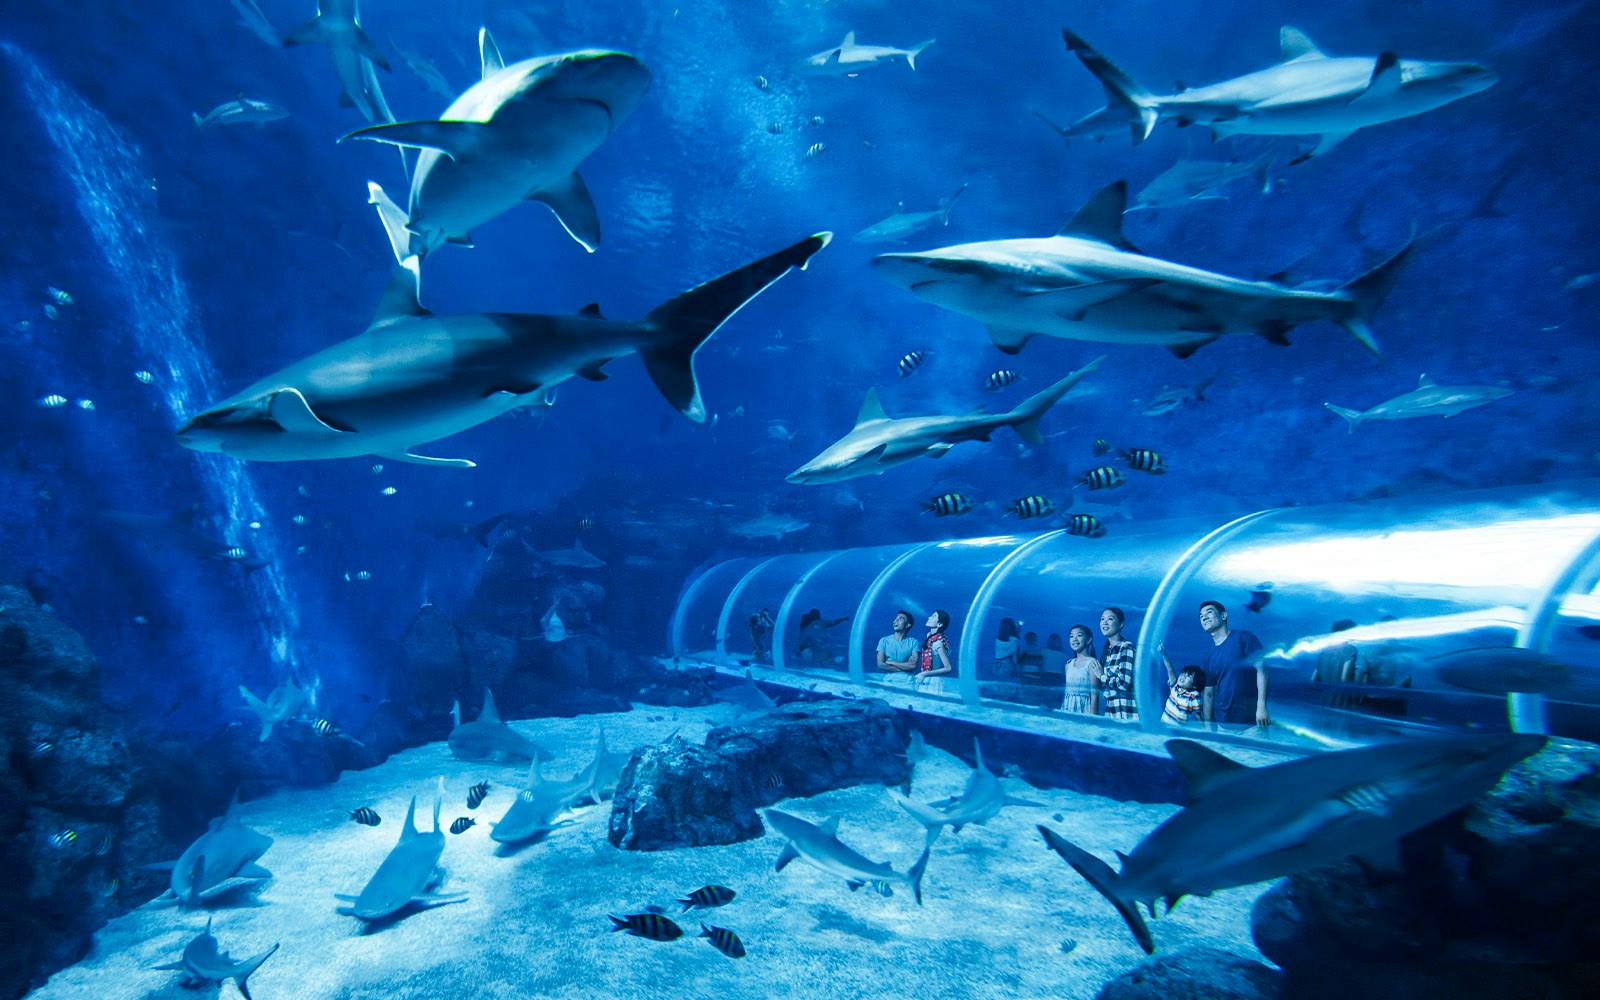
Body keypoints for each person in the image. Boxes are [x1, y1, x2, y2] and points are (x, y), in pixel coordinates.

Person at [1197, 600, 1267, 727]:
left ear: (1223, 616)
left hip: (1252, 722)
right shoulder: (1209, 655)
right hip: (1223, 724)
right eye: (1201, 616)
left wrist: (1261, 707)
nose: (1204, 617)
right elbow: (1208, 693)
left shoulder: (1243, 638)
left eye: (1209, 612)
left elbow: (1262, 670)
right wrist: (1207, 725)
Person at [1098, 606, 1138, 721]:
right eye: (1102, 619)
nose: (1104, 622)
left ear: (1120, 624)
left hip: (1126, 710)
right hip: (1112, 709)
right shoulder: (1109, 651)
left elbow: (1123, 684)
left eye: (1110, 619)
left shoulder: (1126, 648)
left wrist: (1101, 676)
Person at [1157, 642, 1205, 725]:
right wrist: (1163, 654)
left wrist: (1204, 730)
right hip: (1163, 725)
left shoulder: (1194, 695)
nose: (1183, 677)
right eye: (1183, 673)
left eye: (1188, 676)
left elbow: (1198, 715)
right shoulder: (1174, 686)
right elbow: (1170, 669)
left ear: (1195, 684)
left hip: (1178, 730)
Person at [1061, 624, 1103, 714]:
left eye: (1079, 635)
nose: (1074, 639)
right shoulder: (1068, 665)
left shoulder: (1092, 664)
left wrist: (1092, 719)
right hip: (1067, 709)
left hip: (1084, 710)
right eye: (1071, 636)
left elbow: (1095, 695)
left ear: (1089, 640)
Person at [914, 610, 955, 694]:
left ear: (939, 624)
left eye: (933, 616)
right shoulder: (930, 638)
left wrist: (925, 674)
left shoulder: (938, 643)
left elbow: (948, 668)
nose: (929, 617)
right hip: (925, 677)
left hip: (933, 681)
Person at [876, 610, 920, 678]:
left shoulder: (914, 642)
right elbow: (880, 664)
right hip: (888, 682)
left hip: (908, 682)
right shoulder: (884, 641)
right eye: (896, 618)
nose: (895, 621)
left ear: (907, 625)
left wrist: (891, 662)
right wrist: (905, 668)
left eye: (901, 619)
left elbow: (913, 665)